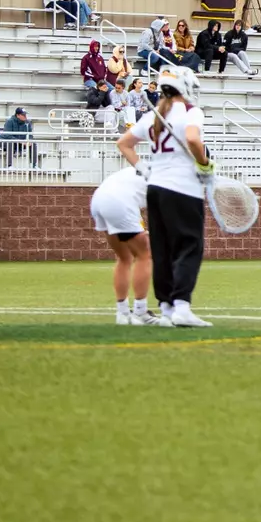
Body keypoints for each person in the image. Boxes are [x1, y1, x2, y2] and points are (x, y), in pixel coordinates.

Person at [117, 66, 214, 327]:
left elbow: (124, 143)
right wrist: (204, 163)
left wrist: (143, 168)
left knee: (162, 250)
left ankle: (167, 308)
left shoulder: (154, 115)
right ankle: (182, 305)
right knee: (189, 246)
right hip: (183, 188)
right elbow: (192, 138)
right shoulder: (191, 112)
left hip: (156, 188)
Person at [89, 164, 155, 325]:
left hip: (99, 199)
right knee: (144, 254)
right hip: (120, 202)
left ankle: (122, 313)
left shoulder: (149, 166)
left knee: (124, 258)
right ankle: (140, 312)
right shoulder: (171, 176)